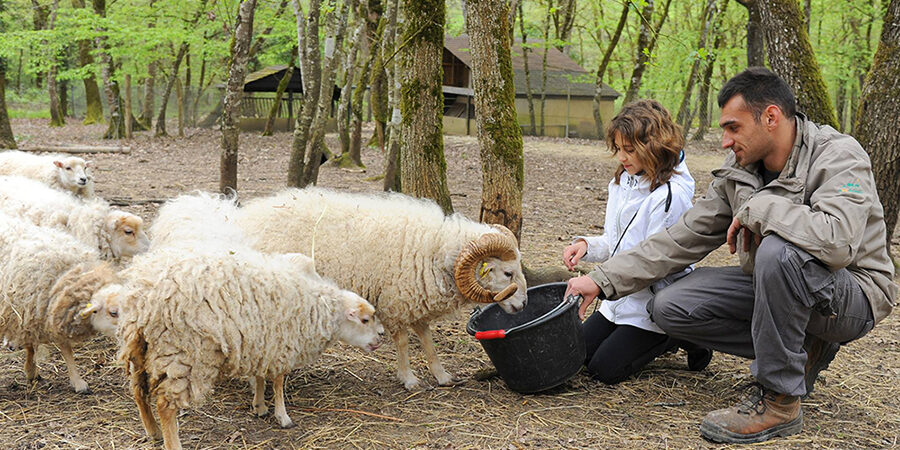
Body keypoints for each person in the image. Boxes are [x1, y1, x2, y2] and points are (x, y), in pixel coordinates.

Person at [565, 67, 896, 444]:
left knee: (778, 251)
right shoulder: (741, 171)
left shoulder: (839, 156)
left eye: (733, 128)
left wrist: (761, 207)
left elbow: (838, 241)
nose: (724, 141)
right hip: (776, 285)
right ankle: (802, 349)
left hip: (852, 296)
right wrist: (603, 278)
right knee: (670, 305)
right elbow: (683, 236)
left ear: (770, 117)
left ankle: (779, 400)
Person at [562, 99, 712, 385]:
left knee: (604, 370)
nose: (621, 157)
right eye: (618, 148)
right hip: (616, 297)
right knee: (577, 356)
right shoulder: (622, 181)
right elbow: (616, 242)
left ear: (654, 147)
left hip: (653, 302)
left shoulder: (670, 196)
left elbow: (655, 263)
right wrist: (587, 246)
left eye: (629, 150)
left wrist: (599, 283)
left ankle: (679, 334)